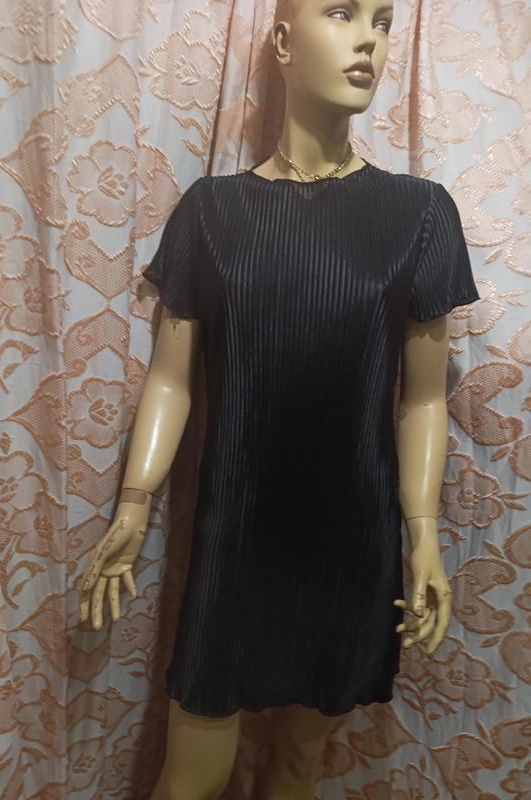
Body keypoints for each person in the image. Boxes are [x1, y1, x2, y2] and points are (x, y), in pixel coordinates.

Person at [79, 0, 480, 797]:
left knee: (298, 764)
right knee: (190, 775)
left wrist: (423, 534)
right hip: (238, 533)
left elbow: (424, 400)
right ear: (285, 42)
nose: (368, 38)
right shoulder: (212, 211)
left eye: (384, 21)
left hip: (351, 540)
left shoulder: (421, 213)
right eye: (343, 12)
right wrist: (133, 504)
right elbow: (171, 378)